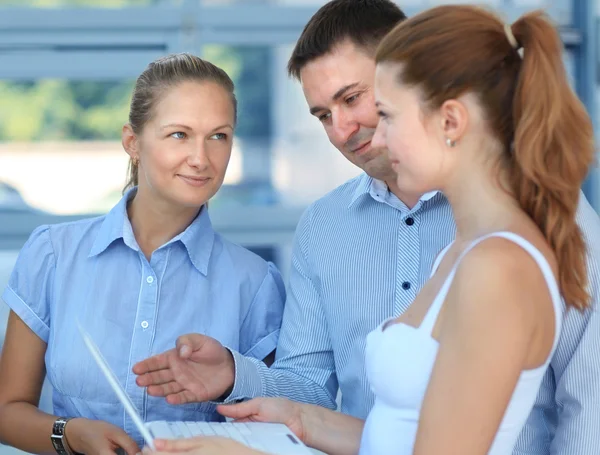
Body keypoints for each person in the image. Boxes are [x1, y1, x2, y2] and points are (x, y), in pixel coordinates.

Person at [134, 1, 600, 453]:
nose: (344, 132)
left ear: (447, 116)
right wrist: (282, 408)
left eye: (370, 104)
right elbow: (396, 435)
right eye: (322, 116)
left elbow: (589, 404)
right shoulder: (452, 247)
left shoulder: (504, 254)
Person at [0, 53, 285, 455]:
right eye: (179, 135)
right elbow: (7, 411)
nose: (201, 158)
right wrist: (72, 434)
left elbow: (274, 426)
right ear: (132, 142)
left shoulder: (255, 282)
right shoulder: (52, 254)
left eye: (218, 136)